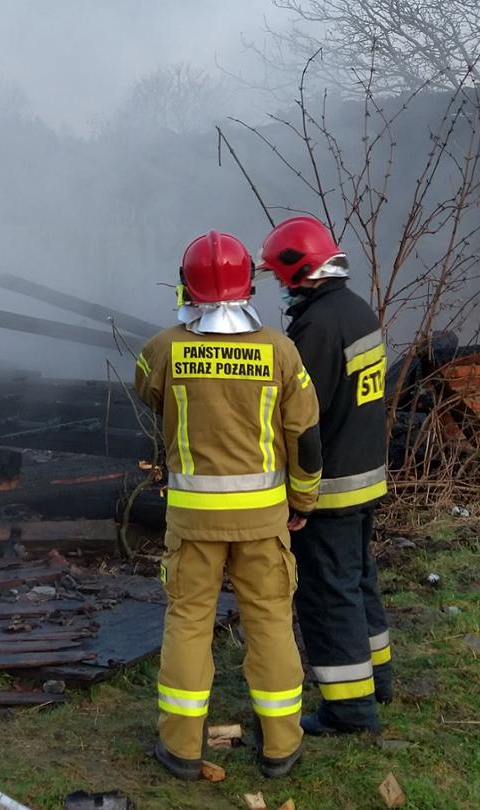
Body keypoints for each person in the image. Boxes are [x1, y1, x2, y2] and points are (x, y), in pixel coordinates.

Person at [134, 230, 324, 780]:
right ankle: (281, 746)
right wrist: (304, 498)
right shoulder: (281, 351)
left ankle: (181, 748)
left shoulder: (162, 350)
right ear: (249, 283)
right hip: (265, 521)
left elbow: (147, 396)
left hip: (193, 521)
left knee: (189, 622)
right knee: (269, 622)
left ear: (186, 285)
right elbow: (305, 437)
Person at [257, 216, 393, 736]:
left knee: (327, 593)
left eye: (280, 277)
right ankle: (378, 680)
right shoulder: (357, 310)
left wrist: (297, 492)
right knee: (358, 579)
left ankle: (349, 709)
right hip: (366, 475)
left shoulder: (316, 326)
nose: (280, 288)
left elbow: (300, 415)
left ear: (300, 270)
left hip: (331, 485)